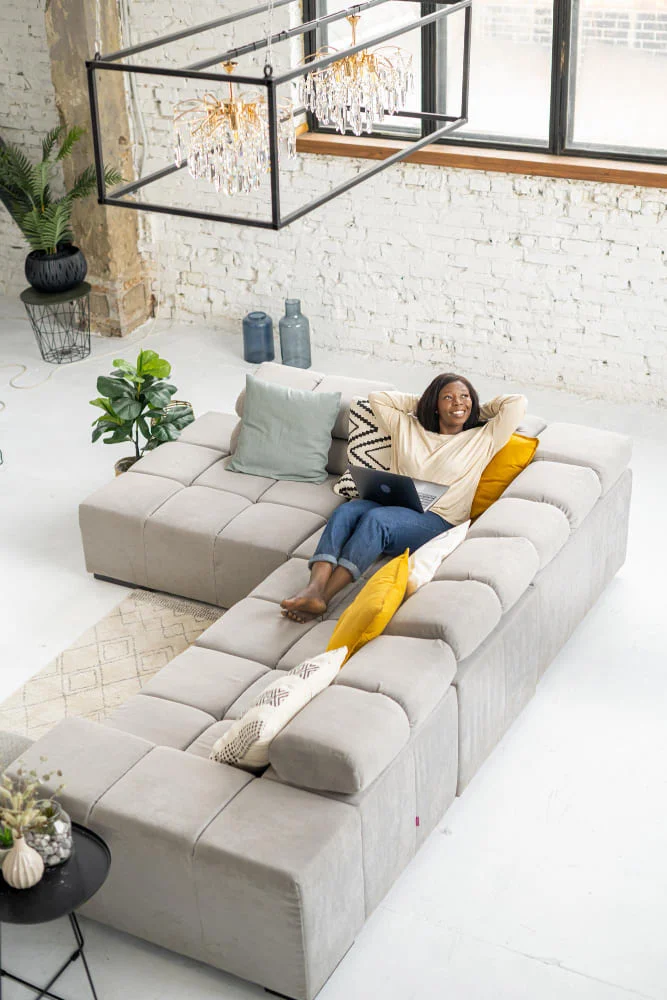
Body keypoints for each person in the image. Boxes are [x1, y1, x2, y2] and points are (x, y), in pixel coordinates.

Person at [281, 373, 527, 623]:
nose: (458, 402)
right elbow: (378, 398)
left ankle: (326, 597)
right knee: (347, 511)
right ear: (434, 404)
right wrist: (425, 405)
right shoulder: (407, 426)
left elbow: (517, 403)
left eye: (464, 397)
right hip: (396, 505)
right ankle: (314, 588)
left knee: (378, 520)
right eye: (448, 398)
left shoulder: (484, 437)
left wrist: (473, 410)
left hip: (438, 520)